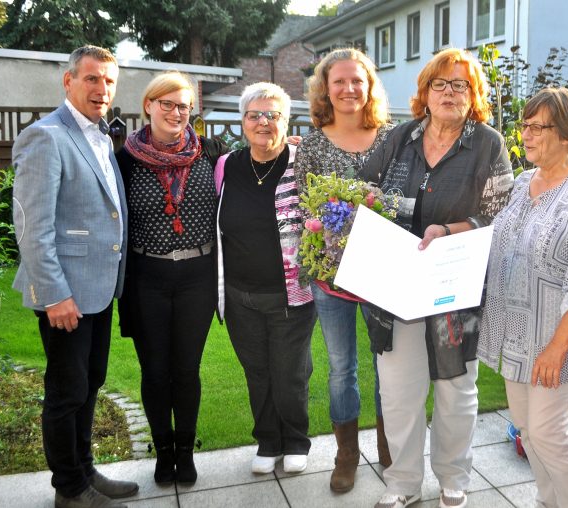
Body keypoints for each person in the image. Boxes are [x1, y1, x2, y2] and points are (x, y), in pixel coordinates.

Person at [359, 48, 514, 508]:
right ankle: (403, 482)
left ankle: (453, 476)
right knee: (400, 388)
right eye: (440, 84)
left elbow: (499, 215)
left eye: (460, 85)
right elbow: (365, 187)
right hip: (396, 283)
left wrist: (448, 230)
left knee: (455, 388)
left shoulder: (488, 143)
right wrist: (368, 205)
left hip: (454, 284)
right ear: (425, 93)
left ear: (474, 95)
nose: (449, 93)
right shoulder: (399, 137)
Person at [11, 45, 138, 508]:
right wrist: (54, 294)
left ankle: (86, 472)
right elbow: (31, 226)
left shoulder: (101, 137)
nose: (101, 89)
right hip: (65, 294)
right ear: (68, 82)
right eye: (91, 79)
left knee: (90, 382)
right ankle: (69, 489)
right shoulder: (46, 136)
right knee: (66, 393)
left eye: (108, 80)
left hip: (100, 289)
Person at [477, 87, 568, 508]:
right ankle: (549, 502)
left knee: (551, 434)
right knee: (528, 431)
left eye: (537, 127)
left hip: (556, 339)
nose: (525, 135)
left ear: (566, 133)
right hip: (516, 332)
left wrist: (556, 348)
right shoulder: (524, 181)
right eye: (523, 126)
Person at [116, 71, 229, 485]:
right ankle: (163, 452)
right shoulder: (124, 159)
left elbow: (256, 167)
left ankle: (186, 449)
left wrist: (289, 148)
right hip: (147, 277)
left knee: (186, 369)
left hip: (198, 277)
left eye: (183, 106)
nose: (176, 112)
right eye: (167, 104)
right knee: (154, 370)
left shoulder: (211, 153)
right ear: (148, 105)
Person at [294, 47, 393, 493]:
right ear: (325, 88)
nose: (350, 88)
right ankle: (346, 454)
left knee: (387, 364)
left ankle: (392, 447)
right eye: (340, 81)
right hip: (330, 276)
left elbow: (403, 199)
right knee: (341, 367)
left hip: (385, 274)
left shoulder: (393, 137)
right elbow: (304, 206)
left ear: (369, 86)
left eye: (358, 80)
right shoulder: (313, 141)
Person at [215, 82, 316, 475]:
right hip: (240, 295)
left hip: (291, 293)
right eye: (254, 114)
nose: (263, 122)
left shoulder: (303, 163)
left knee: (290, 373)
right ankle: (268, 441)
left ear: (286, 121)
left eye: (272, 115)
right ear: (242, 122)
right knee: (256, 372)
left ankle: (296, 440)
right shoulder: (226, 166)